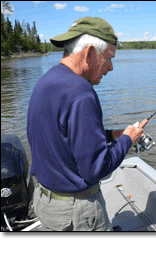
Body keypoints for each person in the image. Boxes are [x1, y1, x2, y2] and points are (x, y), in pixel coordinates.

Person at [27, 17, 145, 231]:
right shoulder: (81, 93)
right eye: (109, 58)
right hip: (76, 213)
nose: (111, 67)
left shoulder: (46, 81)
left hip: (45, 203)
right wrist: (128, 140)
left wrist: (114, 135)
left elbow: (62, 137)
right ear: (90, 52)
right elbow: (95, 169)